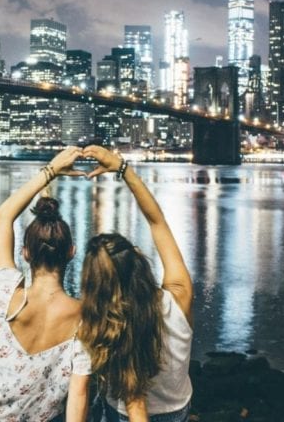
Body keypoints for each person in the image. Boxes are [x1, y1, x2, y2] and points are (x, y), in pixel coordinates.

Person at [0, 147, 91, 422]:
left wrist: (50, 170)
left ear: (25, 253)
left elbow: (4, 215)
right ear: (72, 252)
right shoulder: (86, 320)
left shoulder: (4, 293)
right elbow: (79, 395)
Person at [77, 145, 194, 422]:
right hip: (176, 410)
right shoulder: (179, 298)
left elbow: (135, 405)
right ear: (138, 258)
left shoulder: (102, 323)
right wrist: (123, 169)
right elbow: (157, 222)